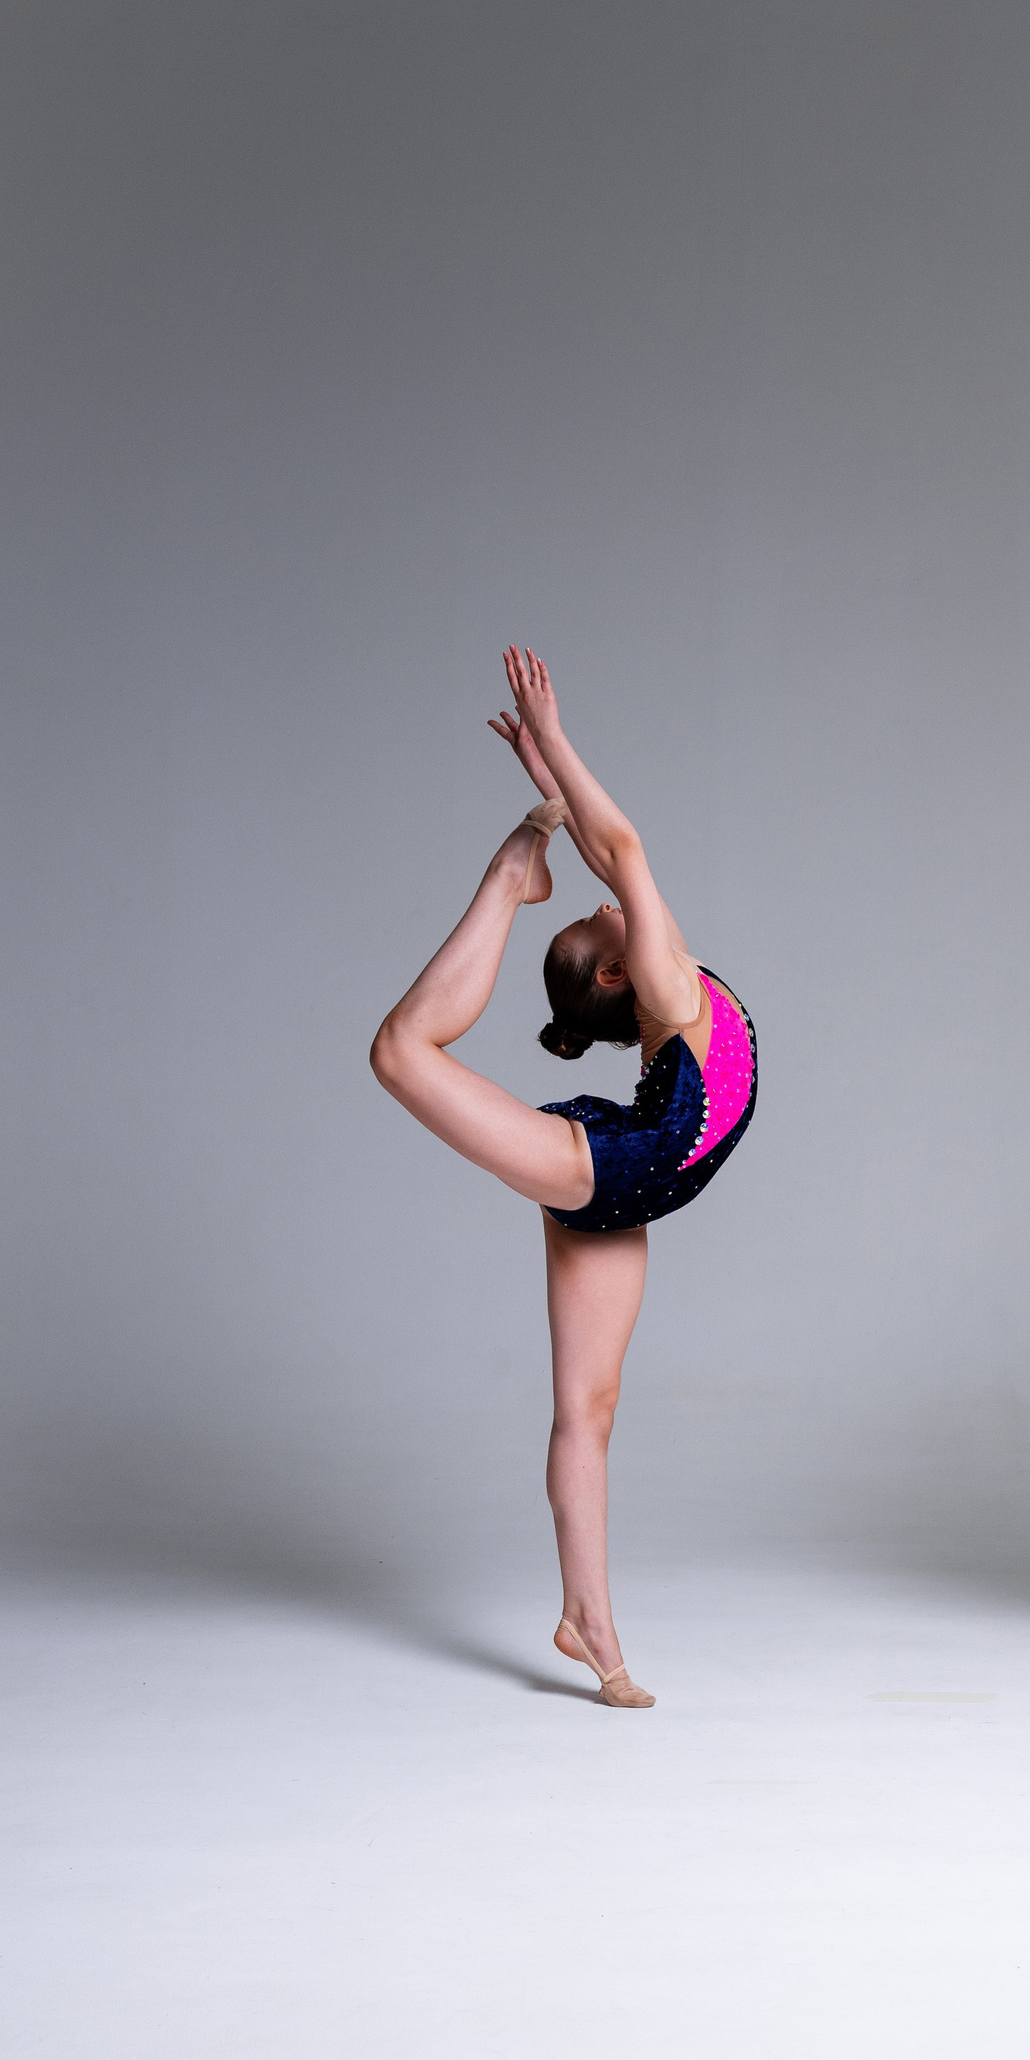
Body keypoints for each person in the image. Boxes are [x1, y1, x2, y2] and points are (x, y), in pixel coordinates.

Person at [371, 648, 757, 1707]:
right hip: (610, 1168)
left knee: (591, 1409)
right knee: (399, 1053)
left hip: (630, 1179)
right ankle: (505, 883)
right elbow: (623, 846)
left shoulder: (664, 974)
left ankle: (588, 1626)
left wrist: (547, 786)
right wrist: (556, 737)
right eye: (594, 920)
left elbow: (607, 851)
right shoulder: (670, 984)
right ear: (617, 969)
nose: (606, 903)